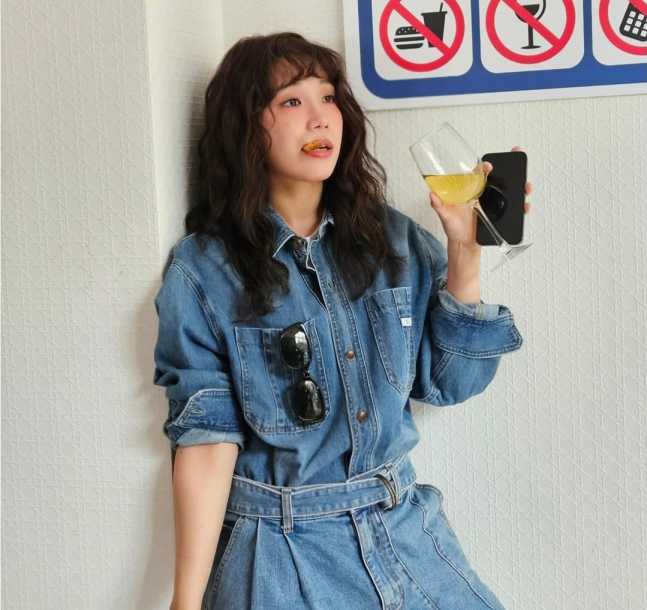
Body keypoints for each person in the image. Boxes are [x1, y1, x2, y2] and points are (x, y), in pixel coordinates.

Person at [153, 32, 532, 610]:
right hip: (282, 553)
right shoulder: (205, 270)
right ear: (245, 125)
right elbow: (207, 445)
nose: (320, 118)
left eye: (328, 97)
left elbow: (452, 384)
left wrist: (465, 250)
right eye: (292, 101)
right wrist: (185, 602)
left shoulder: (391, 240)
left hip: (400, 529)